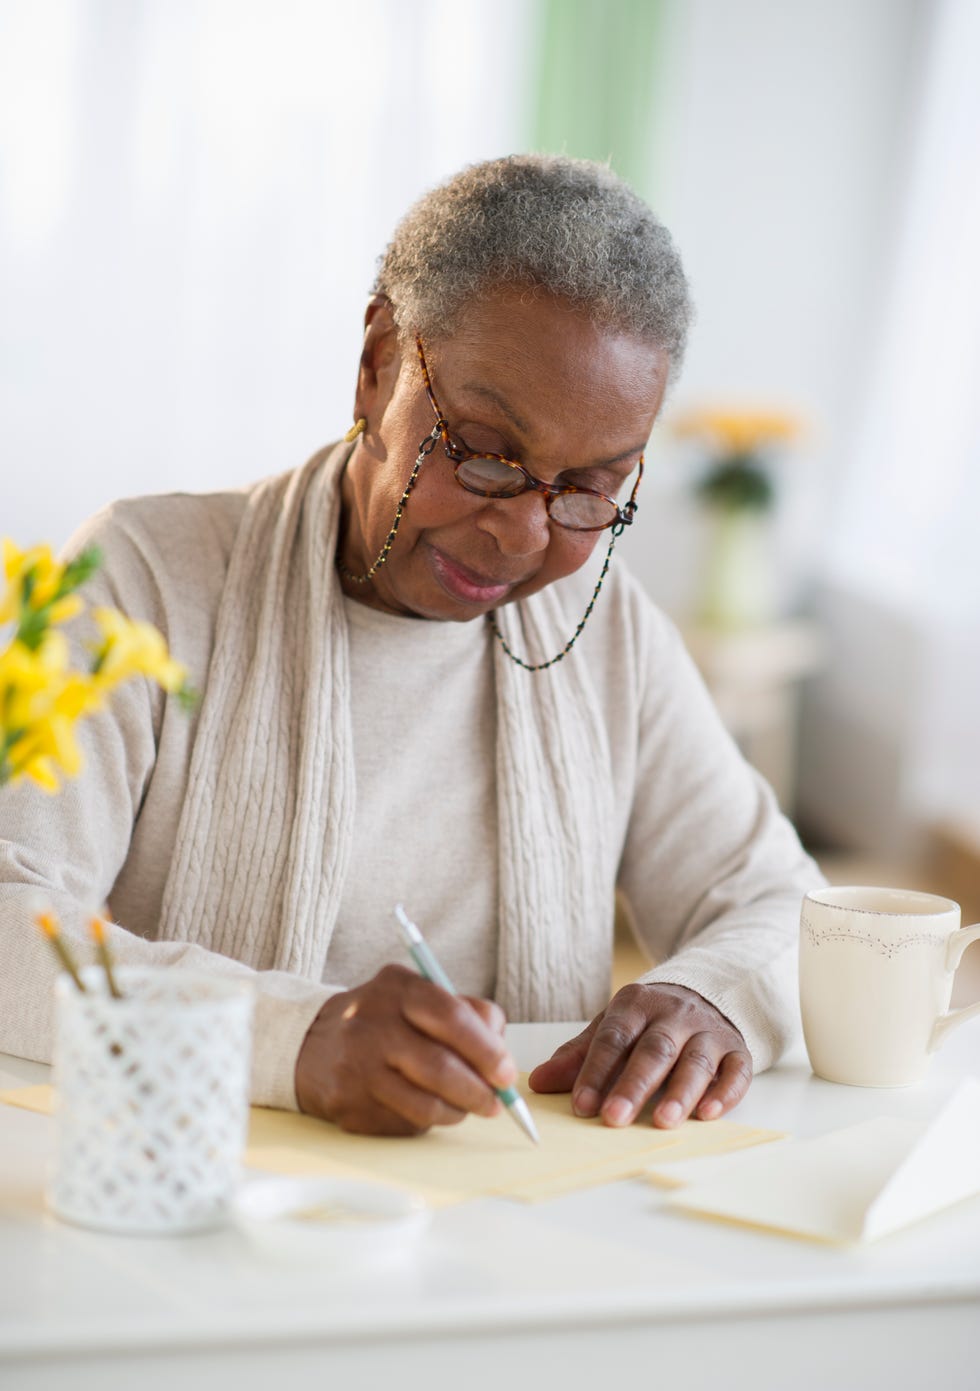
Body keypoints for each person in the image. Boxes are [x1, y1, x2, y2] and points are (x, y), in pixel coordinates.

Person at [0, 154, 822, 1136]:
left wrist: (711, 994)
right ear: (378, 362)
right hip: (188, 1198)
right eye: (481, 452)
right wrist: (292, 1040)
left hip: (504, 1228)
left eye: (590, 489)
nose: (520, 535)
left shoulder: (601, 633)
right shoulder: (145, 579)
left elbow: (780, 903)